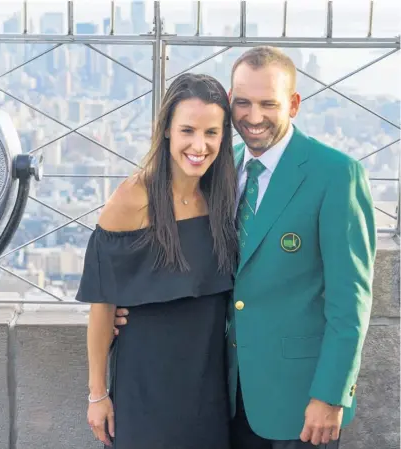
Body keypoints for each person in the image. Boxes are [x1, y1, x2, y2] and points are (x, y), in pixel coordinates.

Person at [113, 46, 377, 449]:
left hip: (299, 400)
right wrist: (129, 303)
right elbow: (186, 251)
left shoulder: (337, 175)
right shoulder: (221, 166)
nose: (253, 117)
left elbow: (351, 301)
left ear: (293, 104)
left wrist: (331, 395)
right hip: (224, 394)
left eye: (268, 104)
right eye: (243, 103)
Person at [75, 73, 239, 448]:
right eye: (188, 131)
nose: (199, 145)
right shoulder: (134, 197)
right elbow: (102, 305)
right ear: (166, 129)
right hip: (145, 387)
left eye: (212, 133)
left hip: (208, 386)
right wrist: (97, 394)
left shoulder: (222, 194)